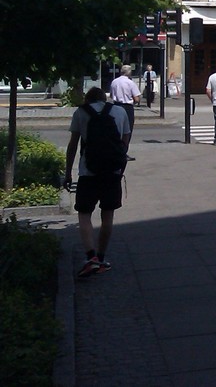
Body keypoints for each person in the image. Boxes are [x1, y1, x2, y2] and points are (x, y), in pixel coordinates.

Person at [63, 87, 130, 278]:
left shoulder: (80, 113)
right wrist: (118, 164)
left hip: (88, 171)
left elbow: (73, 145)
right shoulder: (119, 111)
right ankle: (101, 258)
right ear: (104, 97)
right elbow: (124, 143)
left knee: (84, 214)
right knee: (107, 216)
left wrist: (68, 173)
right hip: (112, 171)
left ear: (87, 99)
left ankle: (90, 257)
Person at [109, 65, 141, 135]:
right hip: (127, 107)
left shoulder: (114, 81)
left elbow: (111, 95)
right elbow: (137, 99)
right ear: (129, 73)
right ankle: (125, 145)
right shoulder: (130, 83)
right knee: (127, 130)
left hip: (116, 106)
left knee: (116, 129)